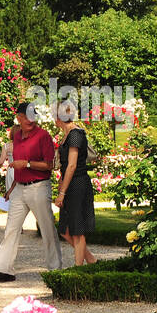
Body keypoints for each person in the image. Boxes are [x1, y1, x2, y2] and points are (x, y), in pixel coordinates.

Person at [0, 101, 61, 282]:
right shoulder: (17, 137)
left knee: (47, 229)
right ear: (19, 118)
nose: (31, 119)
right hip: (19, 188)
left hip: (39, 187)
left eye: (33, 115)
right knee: (11, 229)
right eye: (26, 116)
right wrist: (12, 189)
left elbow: (49, 165)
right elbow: (18, 167)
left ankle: (56, 270)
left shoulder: (44, 136)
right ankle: (4, 270)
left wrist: (27, 163)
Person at [53, 102, 97, 265]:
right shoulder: (67, 134)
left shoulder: (75, 134)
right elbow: (66, 166)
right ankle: (91, 259)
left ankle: (78, 269)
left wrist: (62, 192)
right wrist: (61, 185)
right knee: (65, 230)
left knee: (77, 230)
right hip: (70, 182)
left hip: (77, 184)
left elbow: (72, 165)